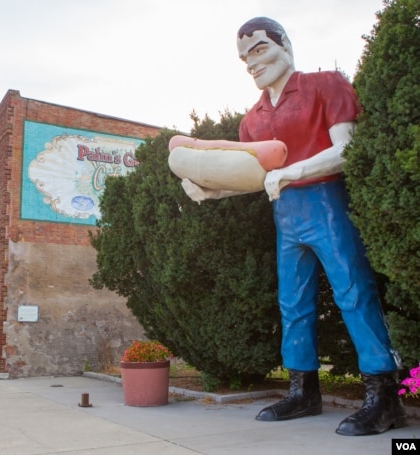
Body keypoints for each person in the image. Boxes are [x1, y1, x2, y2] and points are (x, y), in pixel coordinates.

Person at [168, 17, 406, 436]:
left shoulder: (324, 84)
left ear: (284, 45)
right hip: (287, 214)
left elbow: (346, 150)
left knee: (353, 291)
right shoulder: (253, 119)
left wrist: (292, 172)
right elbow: (258, 179)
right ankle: (303, 390)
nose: (251, 63)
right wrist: (214, 192)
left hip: (326, 203)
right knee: (292, 303)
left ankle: (384, 394)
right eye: (245, 58)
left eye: (258, 50)